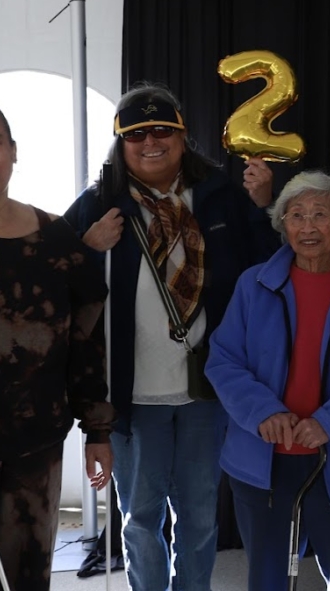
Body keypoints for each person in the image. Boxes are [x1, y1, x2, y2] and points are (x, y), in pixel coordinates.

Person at [64, 84, 278, 591]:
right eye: (136, 133)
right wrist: (89, 249)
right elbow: (57, 289)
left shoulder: (220, 195)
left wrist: (266, 206)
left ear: (183, 137)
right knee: (140, 519)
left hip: (207, 387)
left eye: (163, 129)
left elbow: (269, 268)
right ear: (121, 143)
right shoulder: (97, 205)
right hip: (131, 395)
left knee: (200, 516)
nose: (151, 141)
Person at [0, 97, 114, 590]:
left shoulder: (55, 236)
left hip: (36, 446)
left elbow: (86, 337)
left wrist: (96, 428)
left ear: (13, 151)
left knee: (28, 580)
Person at [205, 170, 330, 590]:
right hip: (263, 462)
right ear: (282, 223)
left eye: (320, 215)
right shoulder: (253, 287)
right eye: (296, 215)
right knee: (269, 580)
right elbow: (223, 360)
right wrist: (262, 410)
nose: (307, 226)